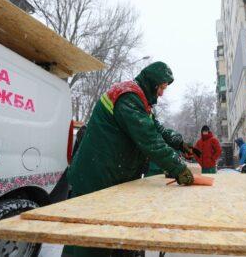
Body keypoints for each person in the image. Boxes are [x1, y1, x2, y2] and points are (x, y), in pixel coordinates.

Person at [63, 62, 194, 257]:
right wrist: (179, 169)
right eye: (162, 87)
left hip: (109, 177)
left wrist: (178, 142)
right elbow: (149, 139)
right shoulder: (128, 97)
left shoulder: (139, 101)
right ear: (152, 83)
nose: (162, 93)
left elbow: (155, 129)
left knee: (108, 239)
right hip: (96, 178)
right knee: (88, 241)